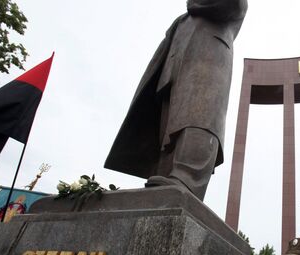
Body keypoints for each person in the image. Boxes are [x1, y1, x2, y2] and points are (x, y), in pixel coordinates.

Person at [104, 0, 248, 201]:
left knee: (199, 118)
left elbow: (234, 3)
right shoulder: (182, 20)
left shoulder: (219, 8)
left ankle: (188, 178)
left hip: (209, 59)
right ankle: (165, 174)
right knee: (170, 126)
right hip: (174, 70)